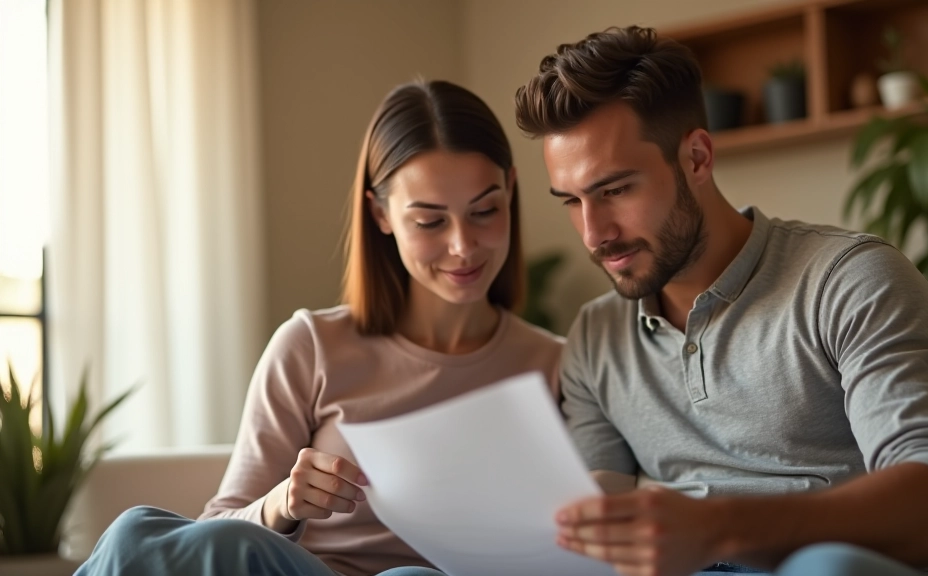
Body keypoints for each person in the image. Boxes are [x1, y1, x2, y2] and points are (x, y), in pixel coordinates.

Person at [512, 26, 928, 576]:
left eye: (615, 190)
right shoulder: (596, 338)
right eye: (571, 201)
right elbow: (596, 516)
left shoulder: (848, 280)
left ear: (696, 157)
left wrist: (719, 529)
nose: (594, 233)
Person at [74, 79, 564, 576]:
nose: (463, 245)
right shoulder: (312, 346)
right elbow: (217, 531)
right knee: (136, 530)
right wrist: (282, 504)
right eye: (430, 222)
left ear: (511, 191)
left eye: (485, 211)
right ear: (381, 214)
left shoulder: (557, 367)